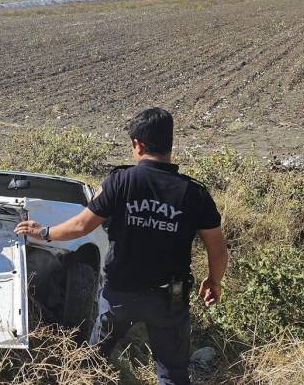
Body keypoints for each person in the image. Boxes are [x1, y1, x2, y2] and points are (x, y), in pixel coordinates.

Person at [14, 107, 228, 385]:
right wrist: (214, 281)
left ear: (137, 144)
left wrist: (43, 232)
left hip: (119, 293)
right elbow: (218, 249)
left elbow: (81, 226)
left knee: (93, 362)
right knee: (173, 373)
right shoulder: (194, 193)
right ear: (169, 143)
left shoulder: (120, 181)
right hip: (170, 296)